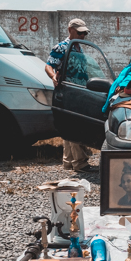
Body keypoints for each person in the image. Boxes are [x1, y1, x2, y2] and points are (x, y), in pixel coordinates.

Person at [45, 18, 94, 172]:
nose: (83, 35)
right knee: (75, 126)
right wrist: (53, 77)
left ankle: (68, 162)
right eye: (80, 32)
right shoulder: (61, 47)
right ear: (70, 30)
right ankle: (80, 163)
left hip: (80, 92)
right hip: (69, 92)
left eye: (84, 33)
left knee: (69, 127)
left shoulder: (79, 48)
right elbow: (48, 65)